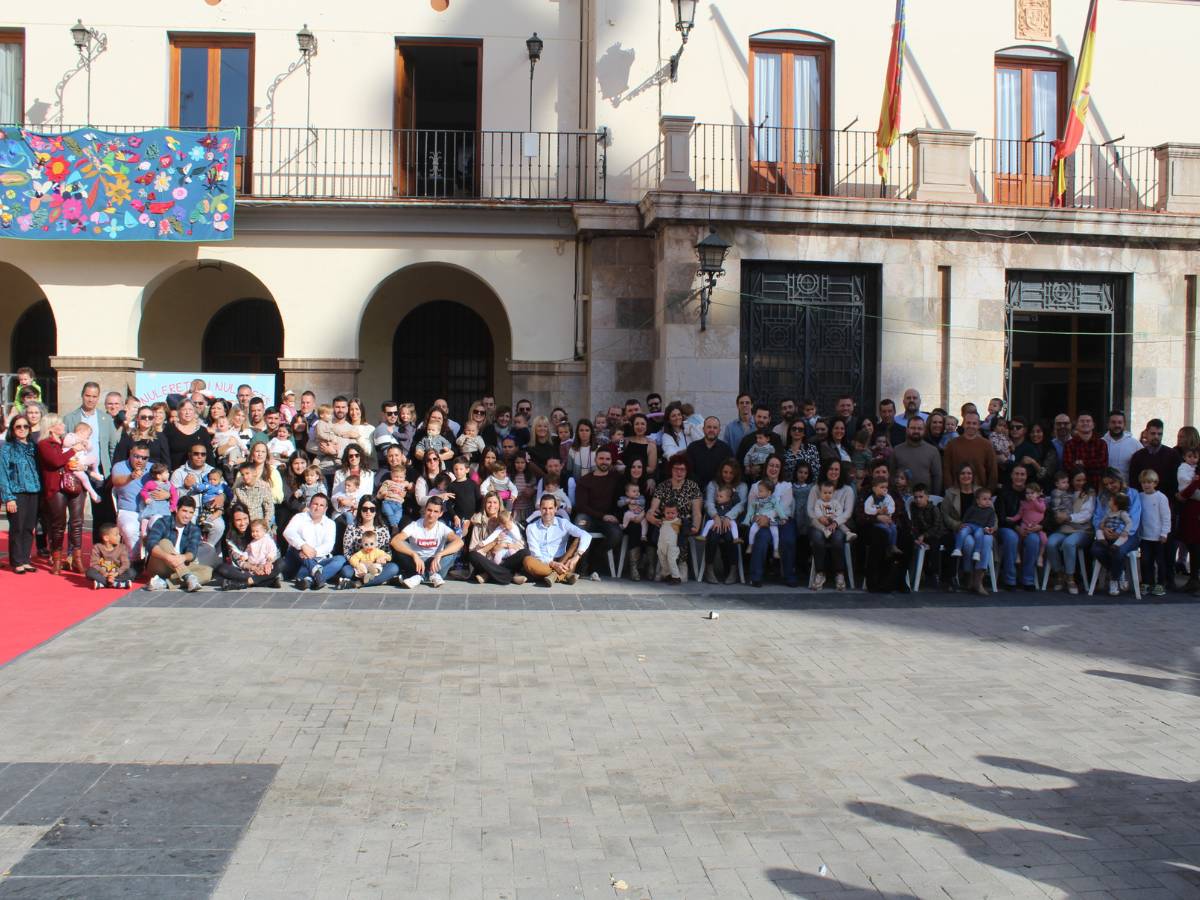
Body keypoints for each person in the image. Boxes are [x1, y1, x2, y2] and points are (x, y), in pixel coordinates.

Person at [37, 416, 88, 576]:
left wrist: (83, 464)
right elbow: (55, 461)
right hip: (56, 486)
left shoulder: (68, 440)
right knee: (58, 524)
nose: (63, 425)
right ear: (51, 428)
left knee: (77, 522)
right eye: (59, 423)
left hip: (75, 483)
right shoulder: (44, 444)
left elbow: (84, 456)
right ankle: (57, 558)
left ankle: (77, 558)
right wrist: (74, 450)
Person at [1089, 468, 1142, 596]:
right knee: (1096, 549)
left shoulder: (1132, 494)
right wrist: (1104, 529)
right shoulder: (1102, 497)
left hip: (1127, 534)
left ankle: (1114, 579)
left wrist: (1119, 532)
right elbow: (1097, 517)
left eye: (1112, 483)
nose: (1109, 486)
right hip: (1106, 533)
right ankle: (1119, 571)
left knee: (1118, 551)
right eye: (1106, 484)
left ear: (1119, 480)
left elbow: (1134, 518)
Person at [392, 495, 463, 588]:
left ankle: (418, 577)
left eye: (436, 511)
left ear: (441, 513)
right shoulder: (414, 525)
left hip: (436, 563)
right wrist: (414, 554)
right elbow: (395, 541)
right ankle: (431, 576)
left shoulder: (442, 527)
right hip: (416, 563)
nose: (431, 514)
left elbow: (459, 542)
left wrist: (440, 554)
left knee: (454, 549)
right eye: (429, 510)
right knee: (402, 545)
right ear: (425, 510)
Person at [571, 447, 623, 574]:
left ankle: (595, 559)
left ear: (611, 461)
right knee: (579, 522)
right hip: (589, 516)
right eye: (601, 458)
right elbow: (581, 506)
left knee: (616, 534)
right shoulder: (585, 480)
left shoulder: (616, 478)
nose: (604, 462)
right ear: (595, 460)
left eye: (607, 459)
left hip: (608, 519)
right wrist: (602, 516)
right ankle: (581, 566)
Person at [521, 495, 592, 586]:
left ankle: (553, 576)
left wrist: (576, 557)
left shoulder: (563, 523)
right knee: (528, 561)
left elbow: (586, 535)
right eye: (544, 508)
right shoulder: (531, 528)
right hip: (543, 564)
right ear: (540, 509)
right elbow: (536, 554)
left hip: (563, 562)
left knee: (578, 540)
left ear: (555, 509)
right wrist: (553, 564)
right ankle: (563, 576)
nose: (547, 512)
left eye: (550, 508)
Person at [0, 414, 41, 573]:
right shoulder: (7, 448)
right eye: (18, 426)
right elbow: (2, 474)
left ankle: (25, 559)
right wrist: (8, 497)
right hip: (16, 493)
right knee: (17, 527)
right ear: (12, 429)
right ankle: (16, 561)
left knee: (29, 527)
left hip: (34, 492)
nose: (22, 429)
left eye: (25, 426)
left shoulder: (33, 447)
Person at [144, 497, 211, 592]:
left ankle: (164, 583)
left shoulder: (194, 529)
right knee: (164, 542)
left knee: (207, 571)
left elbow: (192, 552)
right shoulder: (162, 522)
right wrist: (168, 557)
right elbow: (151, 544)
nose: (187, 516)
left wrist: (182, 558)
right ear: (176, 509)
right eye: (184, 511)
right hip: (159, 564)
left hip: (179, 566)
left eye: (191, 512)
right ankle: (188, 577)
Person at [942, 463, 990, 594]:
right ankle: (968, 574)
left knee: (987, 540)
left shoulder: (981, 491)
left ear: (973, 476)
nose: (966, 476)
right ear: (958, 476)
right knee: (969, 543)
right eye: (962, 473)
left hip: (982, 527)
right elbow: (945, 515)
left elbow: (992, 513)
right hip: (963, 529)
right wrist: (956, 525)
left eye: (969, 473)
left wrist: (992, 527)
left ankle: (978, 580)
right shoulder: (950, 493)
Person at [1045, 468, 1095, 594]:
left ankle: (1070, 577)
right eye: (1078, 480)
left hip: (1083, 530)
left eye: (1083, 480)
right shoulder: (1065, 492)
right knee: (1050, 543)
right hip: (1065, 528)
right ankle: (1059, 573)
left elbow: (1086, 515)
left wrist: (1068, 517)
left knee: (1069, 543)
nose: (1081, 483)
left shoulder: (1089, 494)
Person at [808, 460, 855, 591]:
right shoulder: (816, 488)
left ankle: (839, 573)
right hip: (819, 523)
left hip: (839, 525)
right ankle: (820, 573)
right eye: (831, 469)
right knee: (817, 538)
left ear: (840, 472)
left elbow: (848, 512)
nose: (833, 472)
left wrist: (835, 523)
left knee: (837, 539)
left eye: (836, 469)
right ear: (825, 471)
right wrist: (821, 518)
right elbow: (810, 510)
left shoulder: (847, 490)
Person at [281, 494, 344, 590]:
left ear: (326, 509)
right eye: (315, 504)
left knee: (340, 560)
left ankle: (309, 579)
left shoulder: (330, 524)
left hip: (319, 559)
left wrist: (313, 552)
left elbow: (329, 545)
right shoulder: (299, 517)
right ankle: (316, 574)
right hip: (299, 559)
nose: (317, 507)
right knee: (296, 547)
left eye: (321, 505)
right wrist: (303, 545)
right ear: (309, 505)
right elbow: (288, 532)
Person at [995, 464, 1042, 591]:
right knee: (1011, 538)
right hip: (1007, 527)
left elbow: (1043, 512)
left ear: (1026, 477)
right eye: (1016, 473)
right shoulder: (1003, 493)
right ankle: (1010, 580)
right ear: (1011, 475)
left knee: (1034, 540)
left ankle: (1028, 580)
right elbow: (1001, 517)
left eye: (1022, 474)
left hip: (1029, 527)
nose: (1019, 477)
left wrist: (1039, 526)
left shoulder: (1032, 492)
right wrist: (1016, 527)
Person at [701, 459, 747, 584]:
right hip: (715, 517)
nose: (728, 475)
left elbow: (741, 504)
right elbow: (709, 502)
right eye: (725, 472)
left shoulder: (741, 486)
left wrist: (728, 517)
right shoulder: (713, 484)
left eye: (731, 473)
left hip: (732, 521)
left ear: (736, 474)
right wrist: (715, 516)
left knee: (729, 536)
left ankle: (733, 570)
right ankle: (709, 568)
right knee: (714, 535)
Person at [466, 492, 528, 585]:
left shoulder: (508, 520)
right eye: (489, 502)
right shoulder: (478, 523)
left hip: (508, 556)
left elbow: (521, 543)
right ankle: (510, 575)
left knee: (525, 552)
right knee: (472, 555)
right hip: (488, 561)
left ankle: (488, 575)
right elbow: (474, 549)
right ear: (484, 504)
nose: (492, 505)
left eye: (495, 502)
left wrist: (509, 545)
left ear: (499, 505)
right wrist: (494, 543)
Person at [942, 411, 998, 491]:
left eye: (974, 423)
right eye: (968, 423)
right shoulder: (952, 444)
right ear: (964, 424)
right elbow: (947, 469)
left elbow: (992, 470)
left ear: (978, 425)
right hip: (956, 492)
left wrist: (989, 491)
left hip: (980, 493)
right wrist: (950, 490)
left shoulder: (986, 445)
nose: (971, 426)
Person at [889, 417, 942, 496]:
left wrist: (934, 498)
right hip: (901, 499)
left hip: (925, 500)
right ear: (907, 429)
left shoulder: (933, 451)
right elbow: (891, 474)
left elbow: (937, 477)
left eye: (919, 428)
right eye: (913, 428)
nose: (916, 431)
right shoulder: (897, 450)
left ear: (924, 430)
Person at [1138, 470, 1170, 596]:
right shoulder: (1140, 496)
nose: (1146, 485)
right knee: (1145, 560)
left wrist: (1164, 533)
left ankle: (1161, 583)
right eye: (1144, 482)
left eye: (1149, 482)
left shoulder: (1161, 497)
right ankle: (1147, 582)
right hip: (1145, 536)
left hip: (1158, 537)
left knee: (1160, 561)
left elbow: (1166, 516)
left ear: (1155, 483)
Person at [909, 483, 946, 588]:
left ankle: (934, 573)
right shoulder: (913, 507)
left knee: (934, 546)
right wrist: (917, 536)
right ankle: (920, 572)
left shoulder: (934, 509)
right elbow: (914, 523)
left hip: (935, 533)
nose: (918, 500)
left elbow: (937, 526)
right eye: (915, 497)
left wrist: (924, 535)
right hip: (921, 533)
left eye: (921, 497)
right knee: (917, 546)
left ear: (927, 497)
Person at [1063, 412, 1108, 491]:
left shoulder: (1101, 443)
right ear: (1076, 425)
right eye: (1082, 421)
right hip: (1077, 489)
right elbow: (1068, 465)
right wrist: (1093, 464)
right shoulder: (1069, 444)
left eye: (1088, 421)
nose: (1085, 423)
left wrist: (1082, 464)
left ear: (1093, 425)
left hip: (1097, 486)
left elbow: (1103, 464)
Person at [743, 479, 783, 559]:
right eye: (758, 491)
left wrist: (783, 517)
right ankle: (750, 545)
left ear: (769, 492)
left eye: (761, 491)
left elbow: (779, 509)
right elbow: (751, 511)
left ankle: (775, 550)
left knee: (775, 533)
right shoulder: (756, 501)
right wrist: (746, 521)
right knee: (752, 530)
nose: (758, 493)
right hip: (759, 517)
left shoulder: (773, 500)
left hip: (770, 518)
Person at [86, 522, 132, 589]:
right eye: (116, 535)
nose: (119, 536)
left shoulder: (122, 547)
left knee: (131, 572)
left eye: (119, 534)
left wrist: (116, 573)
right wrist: (105, 574)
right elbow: (94, 564)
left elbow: (126, 564)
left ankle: (104, 583)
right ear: (106, 538)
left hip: (117, 574)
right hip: (102, 574)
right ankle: (116, 584)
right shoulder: (97, 547)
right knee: (89, 572)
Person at [1102, 410, 1140, 482]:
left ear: (1124, 425)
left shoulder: (1134, 444)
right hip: (1106, 488)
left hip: (1127, 489)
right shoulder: (1101, 443)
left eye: (1120, 422)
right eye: (1113, 422)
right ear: (1108, 424)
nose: (1117, 425)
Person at [655, 501, 684, 585]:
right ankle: (668, 574)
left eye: (673, 513)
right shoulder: (662, 521)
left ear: (677, 513)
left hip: (673, 545)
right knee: (662, 559)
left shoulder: (677, 521)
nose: (670, 515)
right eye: (668, 513)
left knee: (671, 560)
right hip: (662, 544)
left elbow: (683, 526)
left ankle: (676, 577)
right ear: (664, 512)